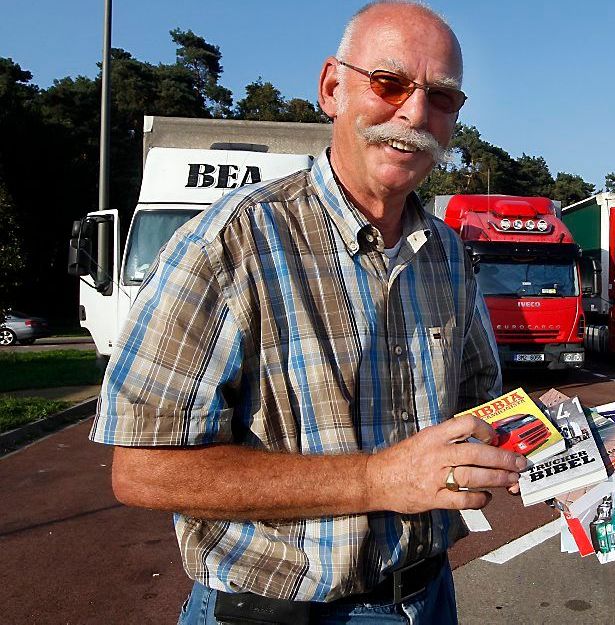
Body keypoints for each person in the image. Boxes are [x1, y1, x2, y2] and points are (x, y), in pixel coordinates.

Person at [90, 2, 526, 623]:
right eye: (390, 83)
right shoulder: (228, 246)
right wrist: (377, 480)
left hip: (429, 597)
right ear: (331, 87)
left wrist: (562, 444)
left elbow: (477, 409)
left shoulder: (450, 256)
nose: (414, 113)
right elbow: (141, 470)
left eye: (442, 98)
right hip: (282, 610)